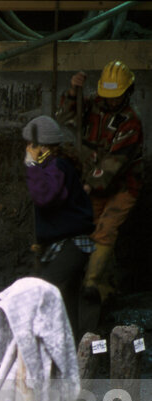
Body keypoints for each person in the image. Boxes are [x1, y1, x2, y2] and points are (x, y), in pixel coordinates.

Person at [56, 60, 144, 325]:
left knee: (106, 230)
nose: (110, 102)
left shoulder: (130, 123)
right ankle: (104, 285)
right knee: (86, 228)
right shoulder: (93, 104)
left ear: (127, 94)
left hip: (122, 185)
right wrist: (73, 92)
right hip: (93, 181)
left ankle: (92, 286)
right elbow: (65, 119)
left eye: (116, 98)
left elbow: (113, 165)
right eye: (107, 97)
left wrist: (87, 186)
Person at [22, 115, 95, 338]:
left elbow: (44, 196)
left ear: (43, 146)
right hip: (63, 245)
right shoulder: (53, 166)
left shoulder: (57, 167)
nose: (28, 149)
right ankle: (73, 356)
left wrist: (32, 165)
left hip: (71, 245)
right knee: (67, 301)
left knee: (46, 293)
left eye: (31, 145)